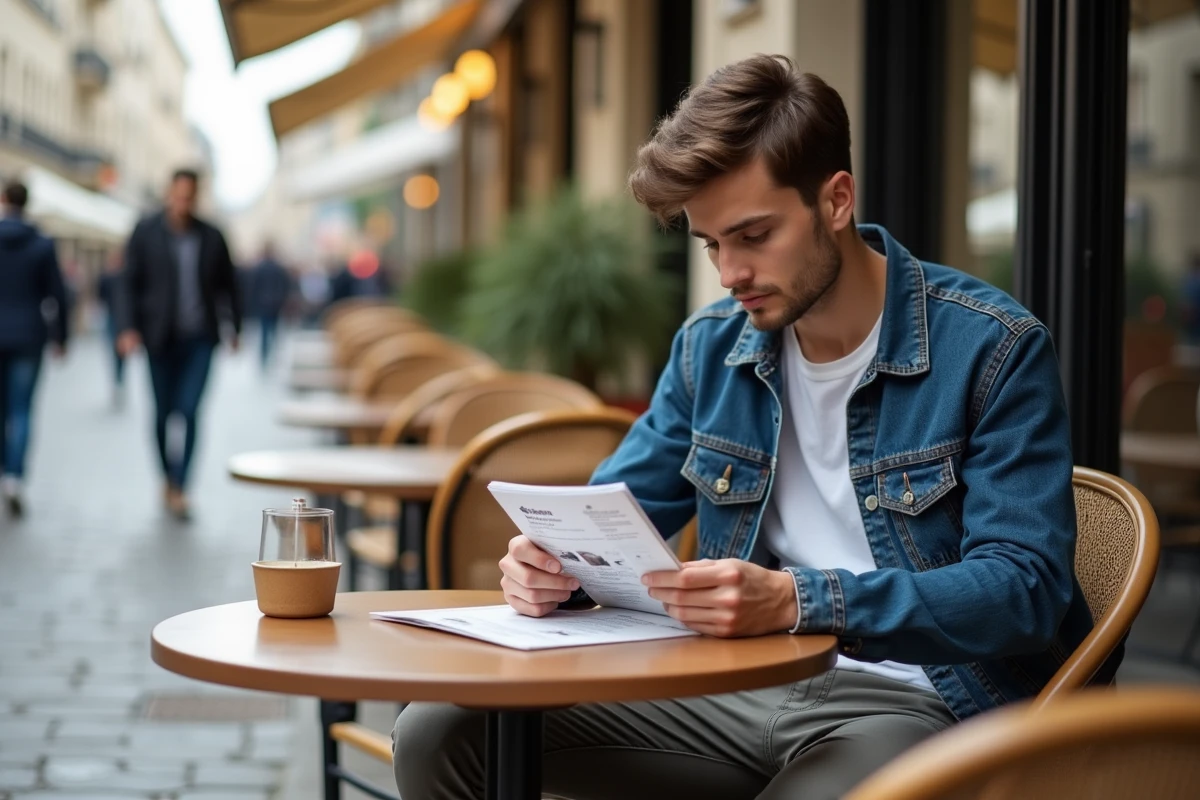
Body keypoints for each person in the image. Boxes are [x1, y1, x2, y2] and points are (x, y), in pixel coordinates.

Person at [391, 56, 1095, 800]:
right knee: (440, 728)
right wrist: (553, 571)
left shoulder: (992, 347)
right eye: (711, 244)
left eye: (753, 235)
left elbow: (1025, 589)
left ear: (835, 201)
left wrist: (800, 601)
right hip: (728, 683)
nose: (729, 273)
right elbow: (608, 522)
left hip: (917, 701)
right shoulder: (710, 348)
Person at [114, 168, 242, 520]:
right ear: (169, 194)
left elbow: (230, 285)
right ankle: (167, 478)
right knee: (161, 414)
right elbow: (127, 282)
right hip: (159, 338)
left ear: (196, 197)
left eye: (190, 197)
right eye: (178, 195)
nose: (183, 203)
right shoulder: (146, 232)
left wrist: (238, 329)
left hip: (200, 339)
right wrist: (126, 328)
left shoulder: (212, 236)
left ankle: (182, 486)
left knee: (189, 411)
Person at [0, 180, 69, 517]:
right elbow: (58, 293)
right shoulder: (41, 243)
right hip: (29, 335)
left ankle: (3, 470)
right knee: (22, 409)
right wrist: (62, 337)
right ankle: (14, 477)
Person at [247, 242, 292, 370]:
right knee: (274, 330)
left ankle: (265, 355)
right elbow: (285, 286)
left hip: (263, 304)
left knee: (264, 331)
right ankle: (272, 354)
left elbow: (253, 287)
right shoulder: (279, 268)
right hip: (275, 304)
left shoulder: (259, 268)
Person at [95, 250, 127, 408]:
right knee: (116, 351)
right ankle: (118, 380)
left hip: (118, 318)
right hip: (113, 318)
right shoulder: (110, 277)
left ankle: (118, 380)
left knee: (118, 351)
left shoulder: (114, 277)